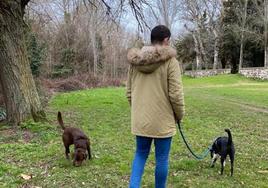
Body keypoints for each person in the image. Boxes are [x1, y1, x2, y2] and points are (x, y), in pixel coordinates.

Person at [126, 25, 185, 188]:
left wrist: (139, 112)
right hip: (163, 121)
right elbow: (176, 95)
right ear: (166, 40)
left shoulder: (134, 62)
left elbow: (129, 93)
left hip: (141, 121)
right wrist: (179, 114)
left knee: (140, 155)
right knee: (162, 159)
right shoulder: (171, 62)